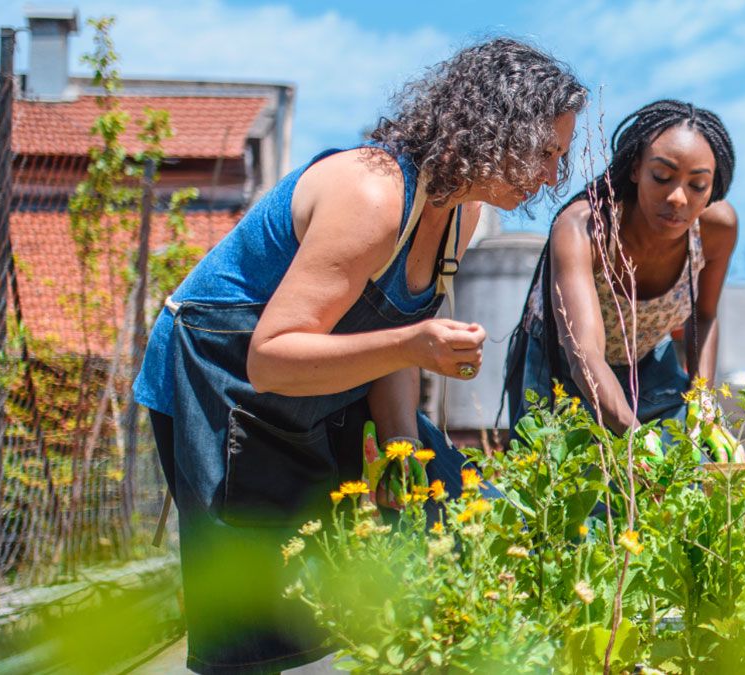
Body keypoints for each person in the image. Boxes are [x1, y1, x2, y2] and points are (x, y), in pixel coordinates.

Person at [130, 39, 587, 674]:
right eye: (544, 151)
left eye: (560, 158)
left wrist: (402, 457)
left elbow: (389, 335)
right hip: (223, 386)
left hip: (314, 390)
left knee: (443, 510)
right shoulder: (373, 196)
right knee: (250, 629)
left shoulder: (462, 215)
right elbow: (271, 358)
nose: (551, 176)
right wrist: (415, 345)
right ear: (497, 125)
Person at [506, 100, 737, 434]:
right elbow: (584, 354)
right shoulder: (585, 228)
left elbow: (704, 315)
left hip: (646, 357)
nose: (678, 197)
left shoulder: (717, 228)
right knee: (561, 480)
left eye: (697, 185)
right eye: (661, 176)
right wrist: (636, 442)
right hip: (561, 363)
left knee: (689, 466)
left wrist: (703, 398)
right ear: (635, 169)